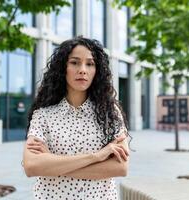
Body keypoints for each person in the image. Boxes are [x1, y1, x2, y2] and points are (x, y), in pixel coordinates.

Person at [23, 36, 130, 200]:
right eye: (74, 62)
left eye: (90, 63)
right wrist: (97, 157)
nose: (82, 69)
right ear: (62, 67)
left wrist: (53, 165)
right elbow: (31, 166)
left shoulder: (110, 113)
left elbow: (120, 168)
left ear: (97, 70)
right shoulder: (43, 115)